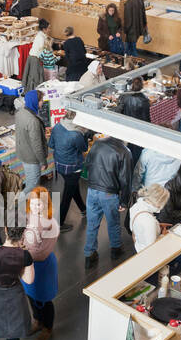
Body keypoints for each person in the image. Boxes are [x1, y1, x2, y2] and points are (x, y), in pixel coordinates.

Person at [83, 133, 133, 270]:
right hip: (109, 193)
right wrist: (124, 201)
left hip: (92, 190)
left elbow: (87, 164)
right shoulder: (124, 151)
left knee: (92, 223)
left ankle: (89, 255)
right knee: (113, 223)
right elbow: (126, 180)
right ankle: (116, 250)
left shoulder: (98, 143)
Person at [22, 188, 59, 340]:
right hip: (28, 264)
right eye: (33, 203)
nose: (36, 207)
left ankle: (48, 329)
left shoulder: (51, 223)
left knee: (44, 300)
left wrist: (23, 250)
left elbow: (42, 251)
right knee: (31, 295)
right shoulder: (28, 217)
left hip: (42, 267)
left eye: (40, 204)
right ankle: (37, 321)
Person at [49, 108, 88, 229]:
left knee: (73, 187)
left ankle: (83, 209)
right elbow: (84, 148)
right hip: (73, 168)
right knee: (67, 197)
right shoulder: (76, 134)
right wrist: (85, 135)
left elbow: (51, 144)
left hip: (59, 165)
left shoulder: (57, 127)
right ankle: (59, 224)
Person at [13, 90, 48, 192]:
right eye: (41, 100)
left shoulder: (21, 111)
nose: (43, 102)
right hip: (32, 158)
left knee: (29, 181)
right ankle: (20, 203)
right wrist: (43, 162)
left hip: (23, 153)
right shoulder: (33, 121)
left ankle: (29, 205)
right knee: (32, 187)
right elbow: (37, 145)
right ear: (34, 102)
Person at [130, 184, 170, 253]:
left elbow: (137, 229)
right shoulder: (149, 221)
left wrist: (157, 226)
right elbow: (152, 248)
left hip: (138, 246)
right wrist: (163, 235)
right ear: (159, 202)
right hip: (147, 254)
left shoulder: (136, 206)